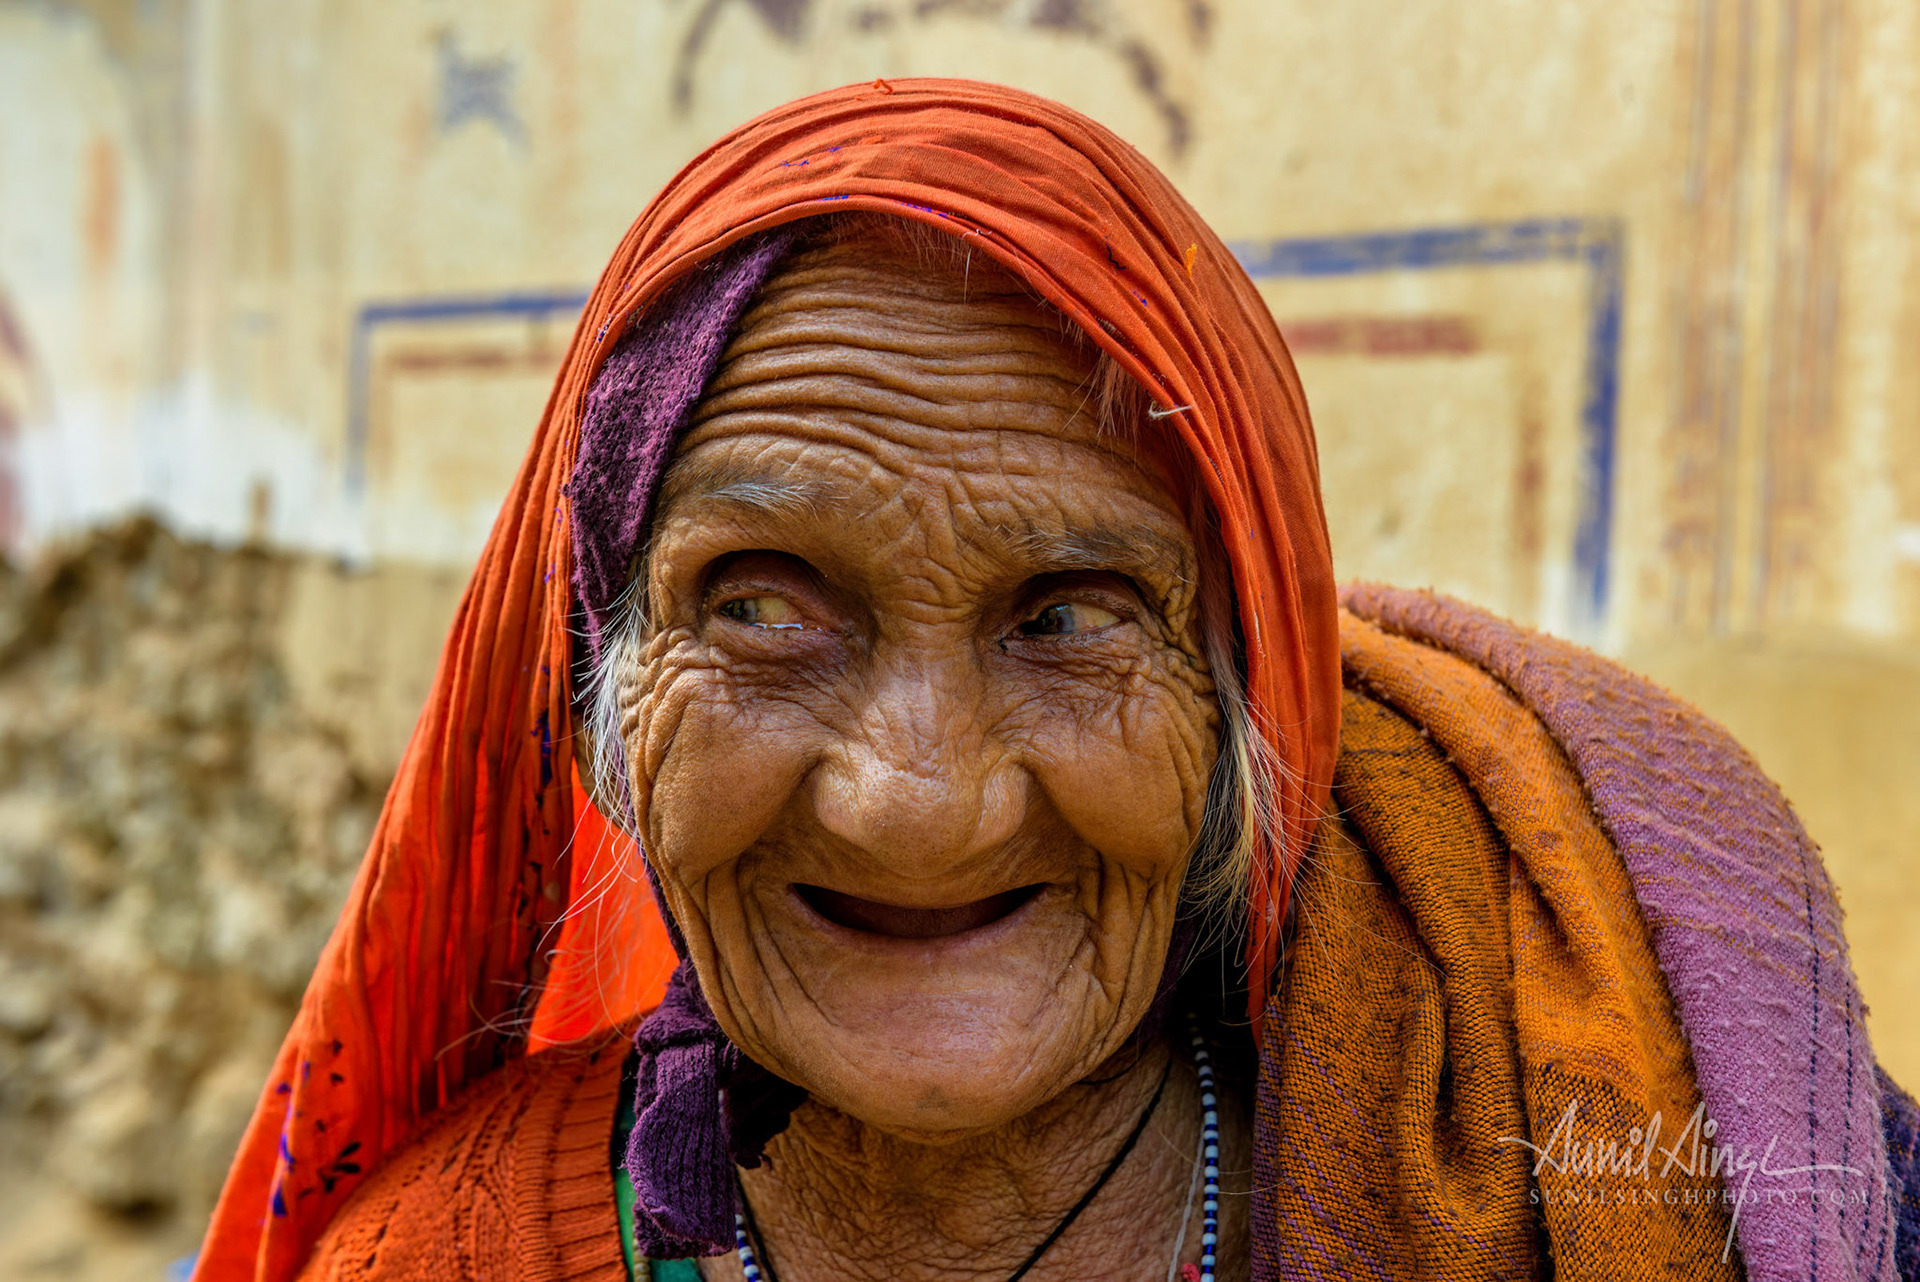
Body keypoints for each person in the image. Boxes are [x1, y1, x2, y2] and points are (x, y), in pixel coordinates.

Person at [194, 79, 1920, 1282]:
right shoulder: (437, 1258)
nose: (917, 801)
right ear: (598, 705)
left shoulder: (1541, 1169)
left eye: (1074, 617)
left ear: (1247, 716)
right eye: (761, 605)